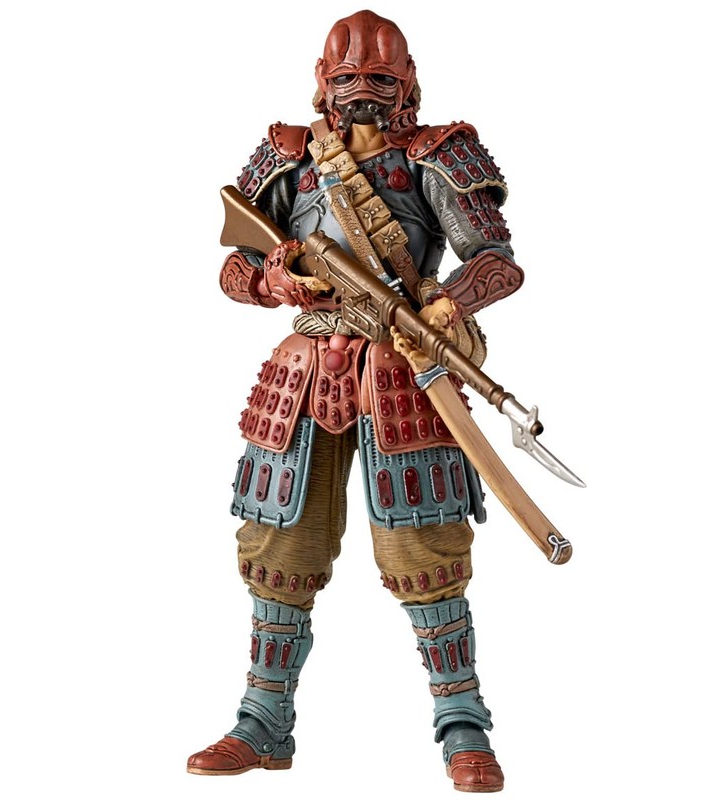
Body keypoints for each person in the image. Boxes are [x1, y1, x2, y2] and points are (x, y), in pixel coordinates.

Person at [187, 9, 525, 793]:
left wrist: (445, 304)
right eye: (347, 78)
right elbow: (233, 267)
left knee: (425, 547)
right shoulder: (288, 156)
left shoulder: (437, 155)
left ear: (407, 82)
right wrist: (272, 280)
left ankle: (462, 723)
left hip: (403, 369)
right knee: (279, 544)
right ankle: (263, 719)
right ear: (322, 79)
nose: (362, 92)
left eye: (379, 78)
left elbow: (497, 263)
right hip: (304, 369)